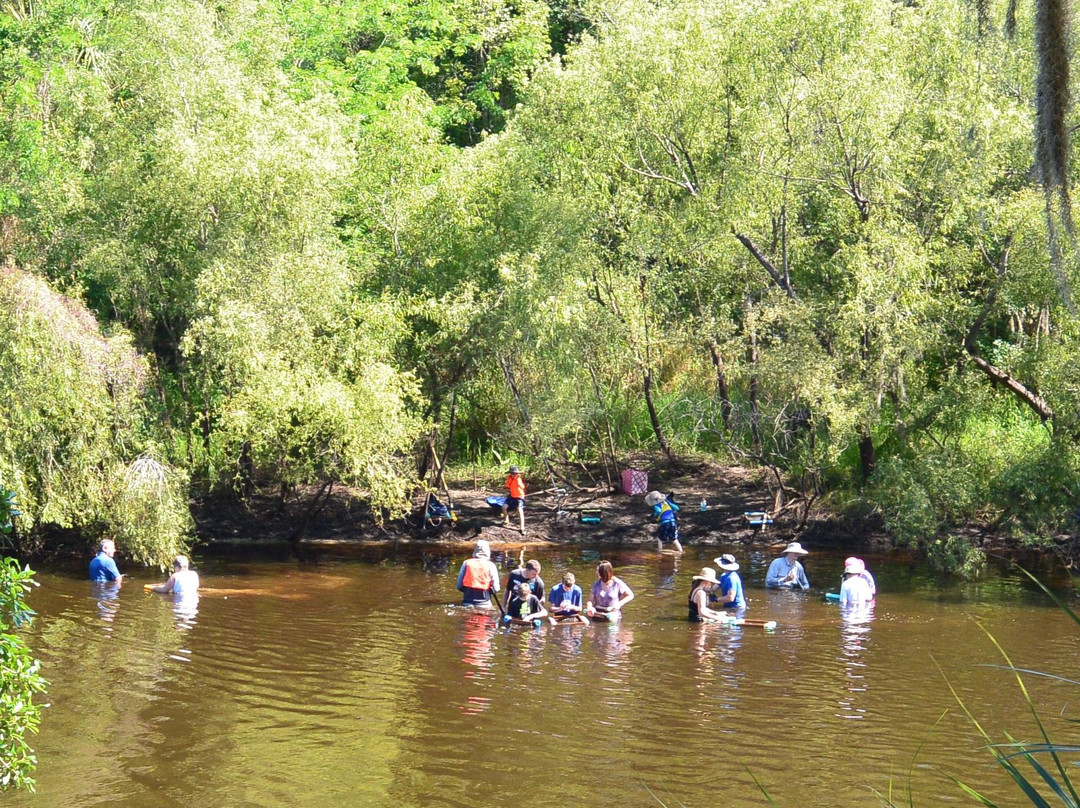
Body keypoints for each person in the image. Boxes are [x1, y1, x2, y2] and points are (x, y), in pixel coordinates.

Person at [456, 540, 501, 607]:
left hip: (467, 601)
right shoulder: (491, 565)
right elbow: (496, 588)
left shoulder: (466, 563)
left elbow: (459, 586)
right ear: (487, 552)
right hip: (485, 603)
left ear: (475, 551)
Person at [500, 466, 526, 535]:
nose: (514, 475)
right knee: (504, 507)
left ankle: (522, 528)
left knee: (519, 510)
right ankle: (506, 520)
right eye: (512, 474)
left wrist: (519, 484)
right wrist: (506, 486)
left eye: (515, 474)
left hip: (519, 497)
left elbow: (523, 487)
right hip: (512, 496)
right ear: (510, 474)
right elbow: (507, 486)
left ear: (517, 474)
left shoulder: (518, 479)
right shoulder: (509, 478)